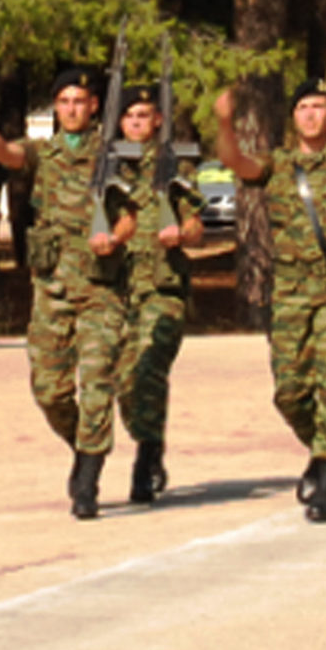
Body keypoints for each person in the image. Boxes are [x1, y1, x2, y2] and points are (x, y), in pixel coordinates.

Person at [0, 69, 130, 519]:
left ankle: (89, 477)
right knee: (49, 390)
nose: (72, 109)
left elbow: (131, 215)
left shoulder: (114, 154)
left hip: (101, 288)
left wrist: (114, 239)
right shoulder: (44, 152)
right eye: (64, 102)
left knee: (97, 382)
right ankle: (83, 444)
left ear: (94, 106)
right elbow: (6, 153)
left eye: (79, 101)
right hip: (53, 289)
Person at [210, 78, 326, 523]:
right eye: (304, 107)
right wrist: (225, 123)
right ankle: (322, 450)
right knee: (290, 390)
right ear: (293, 117)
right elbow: (235, 161)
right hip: (292, 291)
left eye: (320, 106)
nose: (312, 114)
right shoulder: (278, 164)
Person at [108, 83, 202, 507]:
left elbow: (197, 227)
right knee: (122, 381)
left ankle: (145, 461)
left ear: (158, 120)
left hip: (163, 288)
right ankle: (152, 439)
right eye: (129, 117)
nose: (136, 123)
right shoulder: (107, 167)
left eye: (144, 116)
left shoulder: (175, 165)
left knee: (147, 370)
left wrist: (181, 233)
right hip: (117, 289)